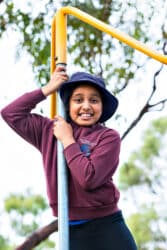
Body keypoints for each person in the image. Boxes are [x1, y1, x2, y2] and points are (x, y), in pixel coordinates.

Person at [1, 66, 137, 250]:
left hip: (108, 227)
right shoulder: (49, 131)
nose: (86, 106)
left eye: (94, 100)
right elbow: (10, 113)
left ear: (102, 107)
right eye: (78, 100)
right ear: (68, 104)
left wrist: (67, 140)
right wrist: (47, 89)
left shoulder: (108, 137)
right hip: (72, 229)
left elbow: (88, 179)